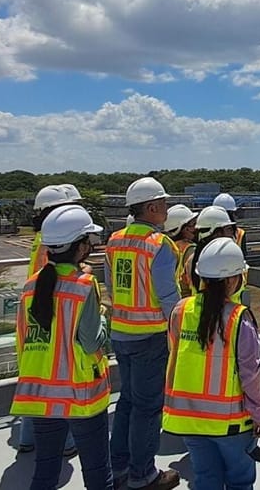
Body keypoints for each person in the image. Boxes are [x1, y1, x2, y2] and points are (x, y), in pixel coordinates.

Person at [11, 205, 112, 490]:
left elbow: (23, 338)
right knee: (97, 471)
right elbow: (92, 341)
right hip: (80, 392)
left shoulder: (31, 285)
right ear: (80, 247)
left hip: (40, 393)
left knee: (45, 471)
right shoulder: (84, 285)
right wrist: (104, 316)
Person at [163, 238, 260, 490]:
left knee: (206, 479)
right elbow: (251, 374)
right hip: (231, 424)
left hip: (190, 420)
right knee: (240, 482)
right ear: (232, 280)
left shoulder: (180, 310)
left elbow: (174, 353)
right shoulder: (238, 318)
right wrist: (258, 415)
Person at [103, 177, 182, 490]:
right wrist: (178, 332)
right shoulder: (158, 244)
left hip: (121, 333)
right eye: (163, 204)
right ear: (151, 207)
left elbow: (111, 286)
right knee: (147, 409)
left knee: (127, 401)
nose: (166, 209)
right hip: (150, 336)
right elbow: (168, 296)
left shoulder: (114, 240)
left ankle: (119, 466)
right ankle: (143, 474)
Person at [17, 183, 82, 455]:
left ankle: (28, 437)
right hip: (54, 310)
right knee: (58, 379)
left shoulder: (41, 239)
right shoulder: (54, 241)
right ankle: (64, 442)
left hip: (37, 310)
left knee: (34, 376)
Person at [189, 205, 238, 295]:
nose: (231, 233)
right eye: (228, 229)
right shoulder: (230, 259)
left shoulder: (193, 258)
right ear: (216, 233)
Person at [165, 204, 199, 298]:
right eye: (193, 224)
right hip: (186, 300)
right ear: (185, 229)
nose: (196, 227)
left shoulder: (166, 246)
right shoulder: (190, 250)